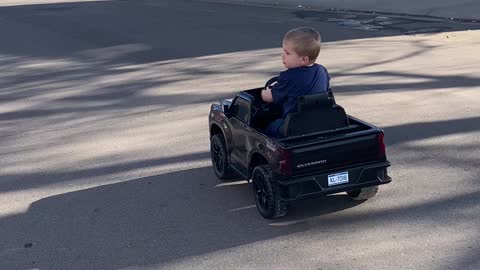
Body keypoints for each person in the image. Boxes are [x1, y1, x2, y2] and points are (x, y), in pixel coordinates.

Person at [261, 27, 330, 138]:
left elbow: (270, 98)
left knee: (270, 127)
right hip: (320, 122)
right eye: (283, 51)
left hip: (293, 127)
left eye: (287, 53)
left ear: (304, 60)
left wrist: (264, 93)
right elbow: (326, 90)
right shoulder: (322, 70)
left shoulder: (288, 77)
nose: (282, 55)